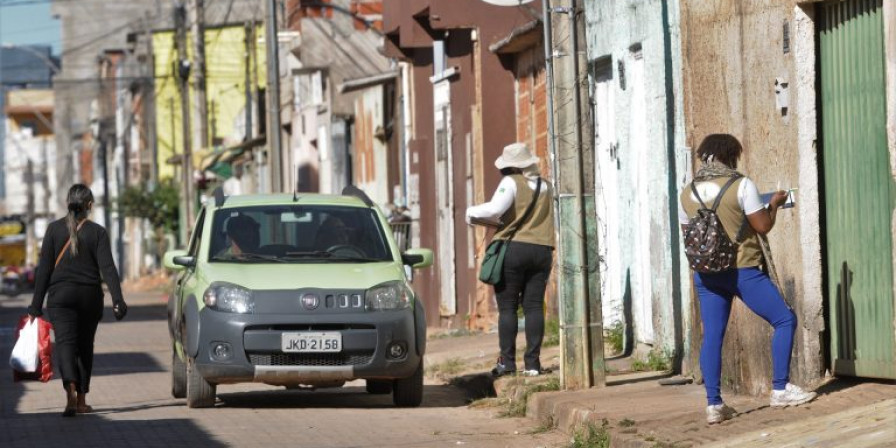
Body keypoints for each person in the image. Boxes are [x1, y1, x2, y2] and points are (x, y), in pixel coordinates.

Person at [678, 134, 816, 425]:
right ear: (731, 155)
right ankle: (780, 388)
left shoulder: (686, 192)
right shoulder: (741, 184)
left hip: (706, 274)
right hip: (742, 270)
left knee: (713, 336)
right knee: (784, 320)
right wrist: (775, 204)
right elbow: (762, 226)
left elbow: (689, 234)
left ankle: (714, 404)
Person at [27, 184, 128, 417]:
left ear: (67, 203)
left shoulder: (53, 230)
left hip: (60, 298)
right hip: (89, 297)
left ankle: (70, 391)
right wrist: (118, 300)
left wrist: (35, 307)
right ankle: (82, 401)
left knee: (65, 344)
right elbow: (108, 269)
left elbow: (43, 271)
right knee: (84, 347)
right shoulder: (98, 232)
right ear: (90, 205)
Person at [466, 142, 555, 377]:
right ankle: (533, 364)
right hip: (543, 250)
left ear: (511, 166)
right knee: (534, 306)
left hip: (514, 250)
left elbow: (494, 209)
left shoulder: (511, 183)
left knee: (507, 308)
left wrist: (470, 212)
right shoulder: (547, 186)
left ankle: (507, 362)